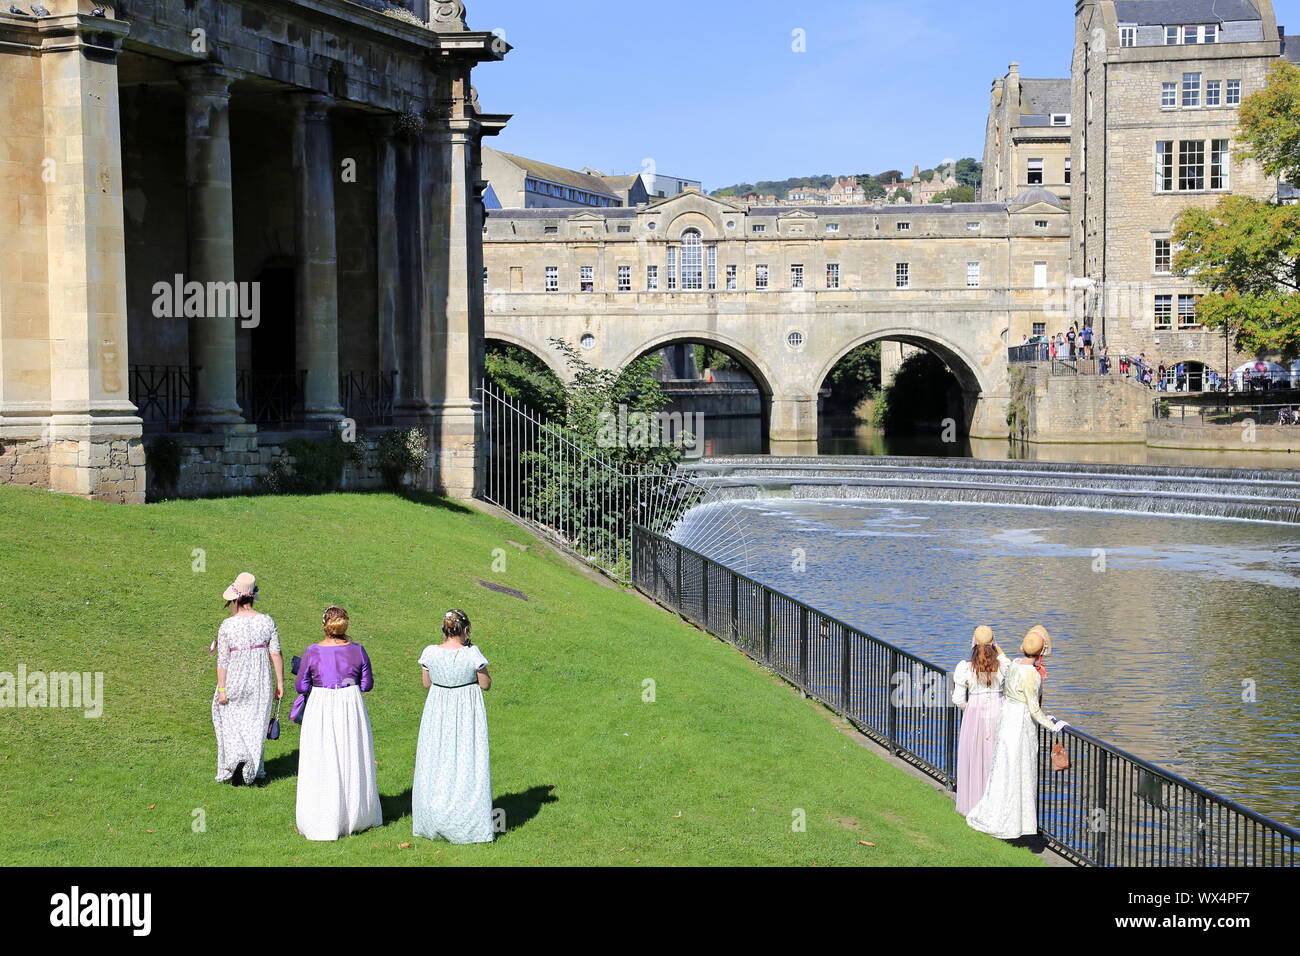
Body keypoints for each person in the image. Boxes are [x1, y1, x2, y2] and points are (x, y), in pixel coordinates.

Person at [965, 627, 1067, 841]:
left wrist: (996, 646)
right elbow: (1034, 708)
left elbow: (1004, 658)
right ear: (1041, 653)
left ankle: (999, 813)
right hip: (1020, 724)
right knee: (1019, 770)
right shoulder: (1031, 673)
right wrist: (1053, 726)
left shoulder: (1013, 665)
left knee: (1003, 768)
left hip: (1006, 719)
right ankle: (1014, 823)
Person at [295, 606, 383, 841]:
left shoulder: (313, 651)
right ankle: (355, 814)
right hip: (349, 705)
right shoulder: (358, 650)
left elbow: (301, 686)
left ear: (325, 624)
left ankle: (322, 815)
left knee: (321, 757)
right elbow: (366, 685)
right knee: (351, 754)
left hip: (321, 705)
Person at [413, 609, 494, 844]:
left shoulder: (430, 653)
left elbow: (427, 683)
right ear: (465, 630)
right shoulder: (472, 654)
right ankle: (464, 820)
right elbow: (486, 684)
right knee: (465, 761)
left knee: (437, 761)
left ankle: (433, 818)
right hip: (465, 714)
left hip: (438, 714)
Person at [212, 573, 284, 785]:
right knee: (256, 724)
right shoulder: (267, 621)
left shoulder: (228, 625)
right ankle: (251, 769)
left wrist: (222, 689)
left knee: (230, 719)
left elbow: (222, 660)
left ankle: (236, 761)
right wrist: (279, 683)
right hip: (261, 680)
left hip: (235, 678)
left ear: (235, 598)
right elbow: (276, 654)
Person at [952, 625, 1010, 816]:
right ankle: (996, 806)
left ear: (973, 644)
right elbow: (1010, 666)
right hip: (997, 713)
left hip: (975, 713)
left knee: (974, 756)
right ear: (994, 644)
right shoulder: (1002, 667)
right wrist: (999, 651)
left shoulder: (965, 668)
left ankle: (972, 802)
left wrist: (970, 708)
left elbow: (958, 699)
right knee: (996, 758)